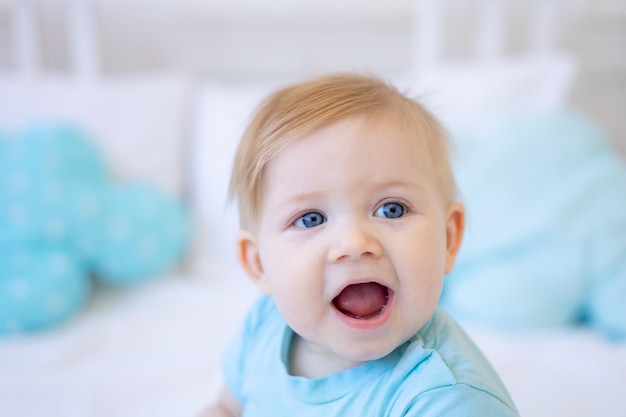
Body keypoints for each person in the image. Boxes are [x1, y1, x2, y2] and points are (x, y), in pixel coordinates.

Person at [202, 73, 519, 416]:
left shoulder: (444, 401)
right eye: (311, 218)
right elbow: (225, 408)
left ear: (449, 238)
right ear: (260, 264)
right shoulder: (265, 326)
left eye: (391, 209)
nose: (354, 243)